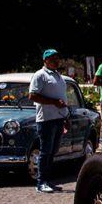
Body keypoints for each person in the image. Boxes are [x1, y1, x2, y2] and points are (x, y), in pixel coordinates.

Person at [29, 48, 69, 194]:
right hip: (46, 119)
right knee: (45, 151)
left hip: (59, 117)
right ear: (45, 60)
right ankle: (41, 182)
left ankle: (48, 180)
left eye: (57, 58)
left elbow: (62, 97)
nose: (56, 61)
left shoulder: (58, 75)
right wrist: (53, 102)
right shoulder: (40, 75)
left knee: (53, 151)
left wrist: (65, 117)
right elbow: (32, 95)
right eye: (52, 59)